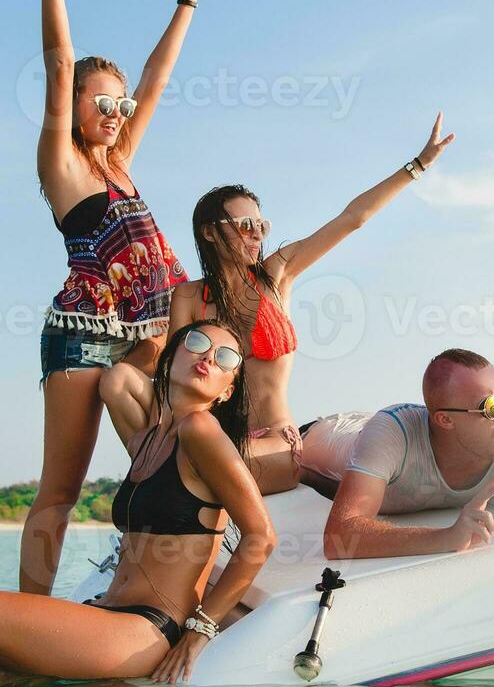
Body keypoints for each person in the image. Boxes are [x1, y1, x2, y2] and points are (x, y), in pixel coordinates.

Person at [0, 322, 275, 687]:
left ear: (227, 390)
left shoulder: (201, 430)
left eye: (226, 358)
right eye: (196, 344)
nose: (208, 357)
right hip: (104, 610)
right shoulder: (147, 442)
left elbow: (260, 536)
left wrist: (199, 632)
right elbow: (117, 381)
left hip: (144, 628)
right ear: (170, 359)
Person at [102, 115, 455, 495]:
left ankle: (156, 473)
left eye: (260, 224)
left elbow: (353, 219)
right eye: (243, 224)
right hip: (206, 436)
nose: (255, 234)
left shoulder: (278, 274)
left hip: (273, 442)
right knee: (116, 379)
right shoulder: (189, 297)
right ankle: (157, 466)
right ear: (209, 232)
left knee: (198, 457)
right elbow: (172, 383)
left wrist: (416, 166)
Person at [20, 0, 206, 597]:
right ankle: (29, 616)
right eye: (100, 102)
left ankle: (166, 578)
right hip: (78, 336)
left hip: (146, 332)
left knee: (170, 456)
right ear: (73, 106)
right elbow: (59, 61)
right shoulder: (61, 165)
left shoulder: (121, 163)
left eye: (118, 105)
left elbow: (156, 81)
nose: (114, 113)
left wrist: (185, 1)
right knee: (59, 491)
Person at [306, 349, 494, 559]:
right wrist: (446, 538)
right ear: (445, 419)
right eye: (489, 407)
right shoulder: (392, 434)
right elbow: (339, 538)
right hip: (323, 436)